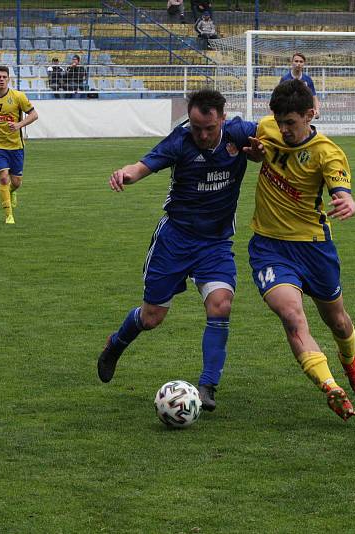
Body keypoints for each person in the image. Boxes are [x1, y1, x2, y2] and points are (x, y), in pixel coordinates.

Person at [97, 89, 261, 412]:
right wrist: (124, 175)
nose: (202, 134)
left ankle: (208, 385)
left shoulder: (240, 132)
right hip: (175, 240)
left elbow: (276, 133)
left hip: (214, 243)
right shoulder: (179, 141)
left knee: (221, 304)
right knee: (152, 317)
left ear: (223, 119)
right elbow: (142, 166)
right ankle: (115, 344)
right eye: (196, 127)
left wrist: (264, 149)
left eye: (209, 128)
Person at [246, 79, 355, 421]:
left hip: (315, 249)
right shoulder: (266, 128)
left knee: (338, 322)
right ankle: (331, 386)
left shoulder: (327, 152)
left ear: (310, 115)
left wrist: (348, 202)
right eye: (279, 122)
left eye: (292, 123)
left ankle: (349, 361)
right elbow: (238, 136)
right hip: (269, 247)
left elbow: (342, 188)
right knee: (291, 316)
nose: (283, 129)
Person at [0, 66, 39, 224]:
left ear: (8, 79)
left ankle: (11, 192)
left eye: (4, 77)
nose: (1, 79)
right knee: (4, 178)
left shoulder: (18, 97)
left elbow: (34, 115)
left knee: (16, 182)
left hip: (16, 145)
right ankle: (9, 215)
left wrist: (19, 125)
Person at [279, 52, 320, 119]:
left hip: (304, 113)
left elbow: (314, 96)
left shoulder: (307, 79)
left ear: (304, 64)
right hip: (289, 113)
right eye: (296, 61)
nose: (298, 63)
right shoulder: (285, 79)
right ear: (292, 62)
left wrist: (317, 110)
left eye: (301, 62)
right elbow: (278, 97)